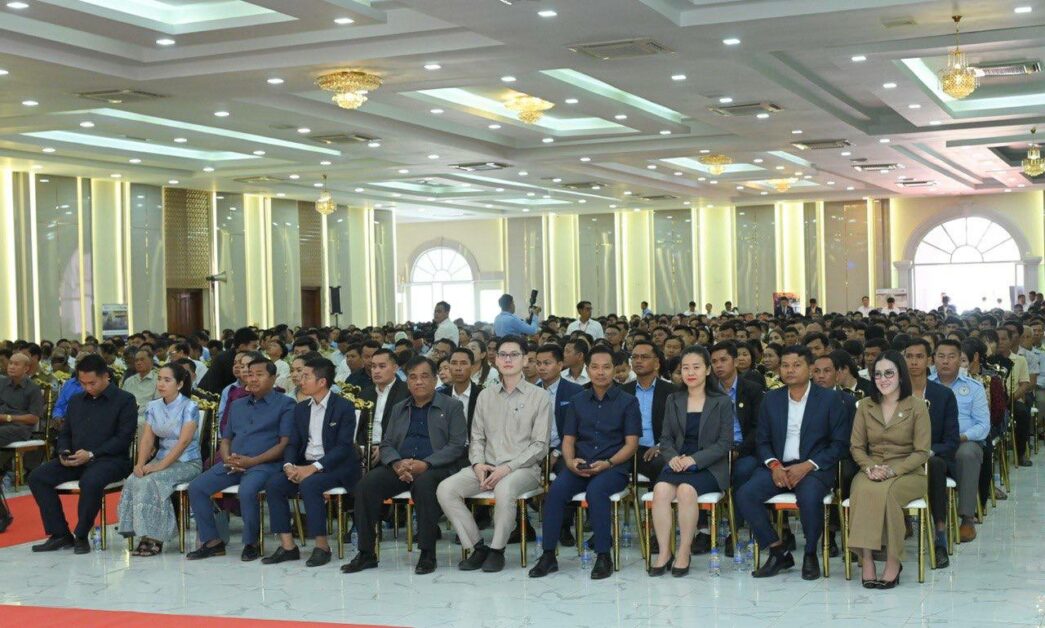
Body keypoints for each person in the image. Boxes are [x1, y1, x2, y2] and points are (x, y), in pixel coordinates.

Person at [342, 356, 467, 575]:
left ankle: (427, 553)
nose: (418, 382)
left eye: (424, 376)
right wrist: (397, 463)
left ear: (435, 379)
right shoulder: (400, 408)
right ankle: (366, 552)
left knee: (425, 486)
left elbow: (457, 445)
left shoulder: (452, 406)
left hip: (435, 467)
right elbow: (387, 443)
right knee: (366, 485)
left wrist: (426, 463)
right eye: (413, 377)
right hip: (401, 465)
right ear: (407, 381)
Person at [436, 336, 551, 573]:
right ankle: (477, 547)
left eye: (514, 355)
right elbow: (477, 437)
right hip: (486, 466)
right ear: (495, 360)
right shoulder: (485, 396)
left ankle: (497, 550)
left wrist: (507, 468)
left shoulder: (539, 396)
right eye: (503, 355)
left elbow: (540, 445)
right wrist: (478, 464)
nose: (508, 359)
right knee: (446, 489)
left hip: (523, 469)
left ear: (525, 359)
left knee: (504, 489)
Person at [734, 345, 848, 580]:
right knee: (745, 494)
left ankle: (810, 553)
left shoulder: (830, 399)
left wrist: (807, 466)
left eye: (796, 365)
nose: (790, 370)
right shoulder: (771, 399)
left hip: (814, 468)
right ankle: (778, 551)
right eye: (785, 365)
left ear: (810, 368)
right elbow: (762, 441)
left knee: (809, 496)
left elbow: (839, 444)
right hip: (779, 467)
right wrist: (774, 465)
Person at [529, 346, 640, 580]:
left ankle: (603, 555)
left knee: (596, 491)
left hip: (613, 467)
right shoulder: (577, 400)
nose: (601, 372)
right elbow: (569, 439)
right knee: (555, 492)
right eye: (595, 367)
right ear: (587, 370)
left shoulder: (628, 402)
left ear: (614, 369)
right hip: (581, 464)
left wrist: (608, 463)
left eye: (606, 367)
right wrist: (570, 462)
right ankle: (548, 555)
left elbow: (631, 445)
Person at [186, 358, 295, 561]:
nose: (253, 379)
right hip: (234, 463)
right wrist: (227, 458)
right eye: (250, 374)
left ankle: (251, 543)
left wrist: (251, 462)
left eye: (259, 375)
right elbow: (226, 439)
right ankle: (213, 542)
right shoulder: (237, 405)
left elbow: (284, 444)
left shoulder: (286, 404)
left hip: (265, 464)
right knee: (197, 487)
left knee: (247, 491)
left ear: (273, 378)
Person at [28, 354, 137, 554]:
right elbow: (66, 433)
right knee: (37, 477)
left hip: (110, 460)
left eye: (92, 383)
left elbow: (123, 438)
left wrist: (92, 454)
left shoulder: (125, 400)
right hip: (76, 458)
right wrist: (63, 452)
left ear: (106, 376)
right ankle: (60, 534)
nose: (87, 388)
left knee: (90, 481)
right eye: (82, 383)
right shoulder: (77, 400)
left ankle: (81, 534)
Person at [262, 357, 359, 568]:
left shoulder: (344, 407)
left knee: (310, 484)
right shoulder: (301, 408)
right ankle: (288, 547)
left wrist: (313, 468)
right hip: (305, 464)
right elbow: (293, 442)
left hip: (335, 467)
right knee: (274, 484)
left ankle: (322, 547)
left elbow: (343, 447)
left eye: (306, 376)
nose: (300, 380)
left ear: (322, 381)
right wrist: (289, 465)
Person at [848, 350, 931, 589]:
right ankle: (867, 560)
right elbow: (856, 446)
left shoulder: (917, 406)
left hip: (908, 471)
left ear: (901, 375)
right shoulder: (865, 406)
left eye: (889, 373)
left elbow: (922, 452)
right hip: (872, 468)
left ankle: (893, 561)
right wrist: (869, 468)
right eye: (878, 374)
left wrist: (893, 471)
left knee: (888, 493)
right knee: (862, 490)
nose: (883, 379)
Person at [648, 346, 733, 577]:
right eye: (685, 368)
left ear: (707, 370)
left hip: (708, 466)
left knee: (686, 491)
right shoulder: (673, 399)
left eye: (696, 367)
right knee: (660, 490)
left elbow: (725, 443)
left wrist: (694, 459)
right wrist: (672, 458)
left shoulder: (722, 401)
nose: (690, 373)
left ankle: (684, 552)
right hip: (677, 462)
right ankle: (664, 552)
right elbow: (665, 438)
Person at [117, 362, 203, 556]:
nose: (161, 384)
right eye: (159, 379)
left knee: (153, 480)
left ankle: (156, 536)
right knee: (134, 478)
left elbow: (184, 442)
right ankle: (142, 534)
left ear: (179, 384)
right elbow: (147, 438)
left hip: (187, 462)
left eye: (167, 380)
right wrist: (140, 464)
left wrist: (160, 466)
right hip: (161, 459)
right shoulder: (153, 406)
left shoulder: (189, 406)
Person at [902, 338, 959, 568]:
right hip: (900, 456)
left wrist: (926, 452)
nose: (914, 362)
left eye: (919, 357)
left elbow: (952, 441)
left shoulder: (943, 395)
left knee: (934, 465)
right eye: (909, 356)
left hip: (933, 457)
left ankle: (940, 535)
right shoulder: (894, 393)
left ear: (929, 360)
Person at [929, 339, 989, 542]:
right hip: (933, 442)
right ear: (933, 359)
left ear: (960, 360)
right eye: (941, 356)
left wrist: (961, 437)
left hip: (964, 442)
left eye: (951, 356)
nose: (945, 361)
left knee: (967, 454)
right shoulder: (924, 385)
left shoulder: (974, 387)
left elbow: (983, 425)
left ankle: (967, 518)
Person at [533, 343, 584, 545]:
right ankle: (521, 526)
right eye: (538, 363)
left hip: (565, 449)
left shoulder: (575, 392)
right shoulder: (529, 391)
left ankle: (563, 527)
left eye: (547, 363)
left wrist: (556, 453)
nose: (541, 367)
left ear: (560, 365)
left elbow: (579, 429)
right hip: (534, 449)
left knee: (568, 472)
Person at [620, 340, 679, 486]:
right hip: (627, 450)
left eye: (644, 357)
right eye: (634, 357)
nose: (638, 361)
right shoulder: (622, 392)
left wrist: (661, 446)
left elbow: (678, 426)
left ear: (657, 363)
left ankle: (655, 500)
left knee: (660, 464)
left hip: (657, 449)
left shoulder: (673, 392)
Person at [356, 349, 409, 468]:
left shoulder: (406, 392)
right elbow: (359, 427)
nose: (376, 371)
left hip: (394, 450)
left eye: (382, 366)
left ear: (395, 368)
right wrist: (363, 448)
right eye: (373, 366)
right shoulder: (364, 394)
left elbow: (404, 428)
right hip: (366, 450)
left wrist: (384, 448)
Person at [0, 353, 45, 448]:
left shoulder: (33, 389)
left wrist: (8, 417)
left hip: (19, 428)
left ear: (26, 368)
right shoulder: (2, 383)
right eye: (10, 363)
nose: (11, 367)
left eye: (16, 364)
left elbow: (34, 418)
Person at [199, 327, 259, 394]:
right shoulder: (225, 359)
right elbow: (215, 389)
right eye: (254, 347)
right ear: (242, 346)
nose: (256, 351)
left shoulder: (251, 357)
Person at [121, 349, 157, 421]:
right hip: (127, 417)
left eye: (142, 359)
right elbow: (122, 402)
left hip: (147, 419)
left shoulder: (158, 381)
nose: (138, 363)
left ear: (151, 361)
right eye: (136, 360)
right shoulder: (129, 381)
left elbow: (158, 407)